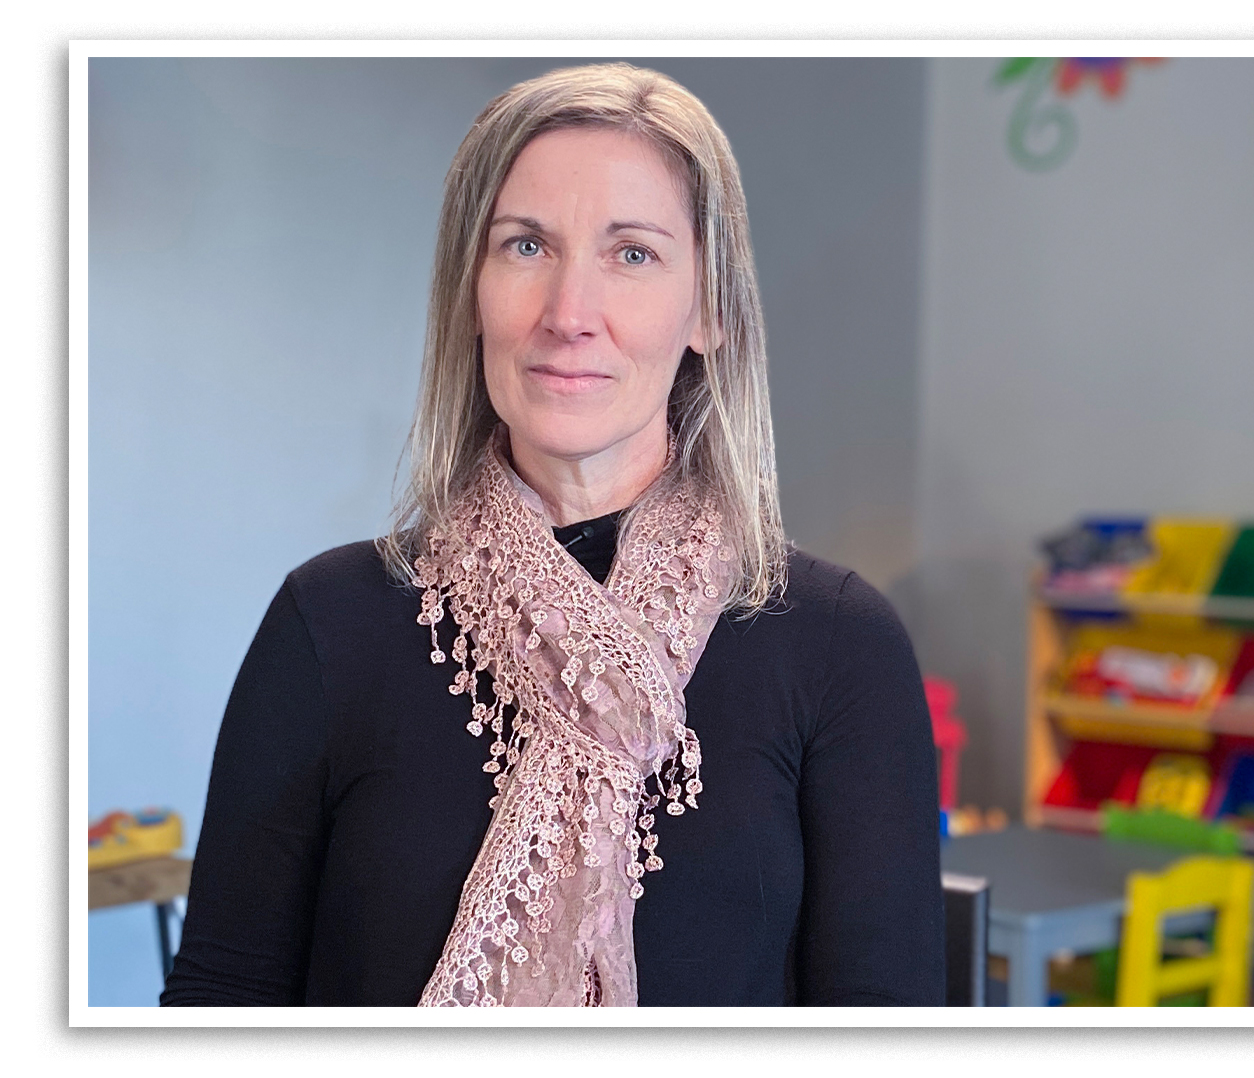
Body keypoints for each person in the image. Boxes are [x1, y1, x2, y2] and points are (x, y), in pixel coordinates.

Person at [159, 63, 945, 1007]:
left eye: (634, 254)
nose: (569, 315)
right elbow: (221, 1006)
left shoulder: (838, 647)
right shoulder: (325, 625)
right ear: (471, 289)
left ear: (712, 311)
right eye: (526, 246)